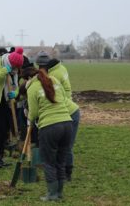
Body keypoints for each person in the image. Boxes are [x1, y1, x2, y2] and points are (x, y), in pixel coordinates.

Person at [26, 67, 72, 201]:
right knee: (60, 161)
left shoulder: (32, 88)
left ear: (29, 78)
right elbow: (63, 98)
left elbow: (33, 112)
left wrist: (29, 119)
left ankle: (52, 194)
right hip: (67, 123)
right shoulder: (54, 80)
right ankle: (59, 193)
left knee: (48, 161)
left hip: (49, 127)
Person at [36, 51, 80, 181]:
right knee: (66, 146)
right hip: (68, 106)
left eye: (40, 67)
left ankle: (66, 173)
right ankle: (65, 173)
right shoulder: (61, 68)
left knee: (66, 147)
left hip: (66, 110)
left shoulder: (53, 75)